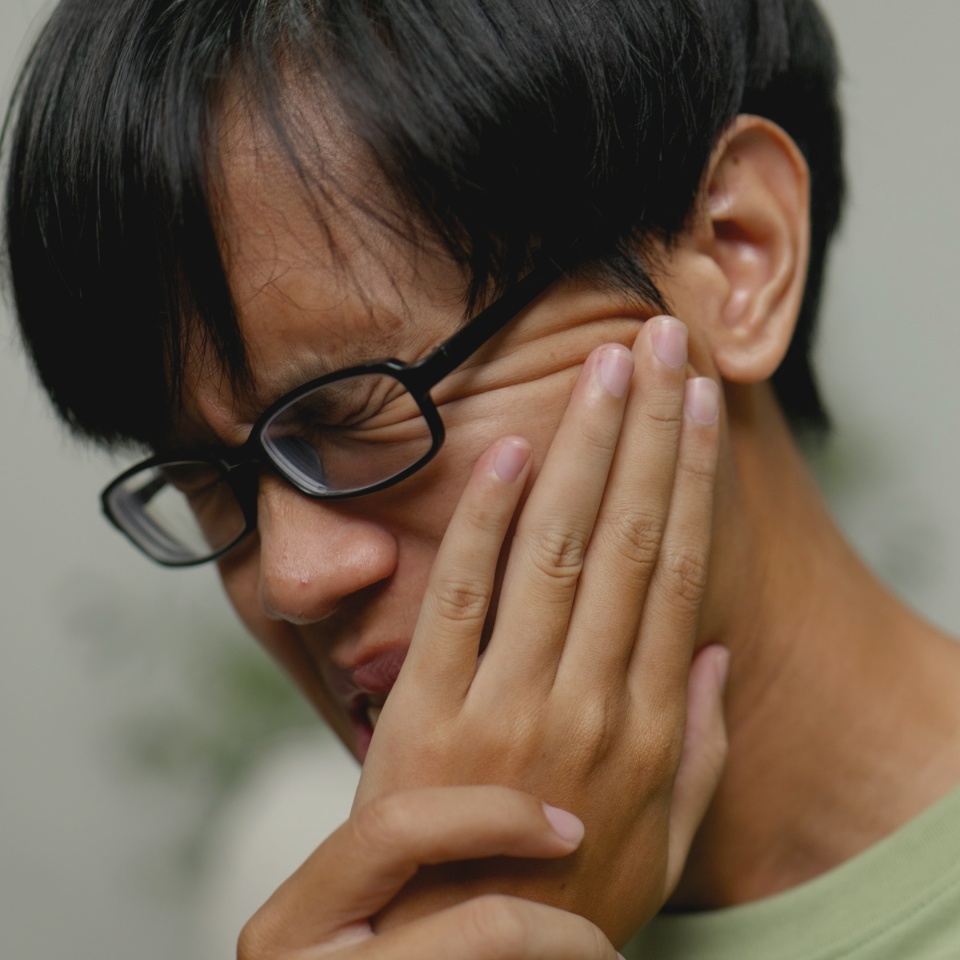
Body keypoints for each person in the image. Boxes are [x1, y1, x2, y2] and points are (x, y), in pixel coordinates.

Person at [4, 1, 960, 958]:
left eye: (352, 410)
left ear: (737, 249)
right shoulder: (314, 897)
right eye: (207, 479)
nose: (289, 578)